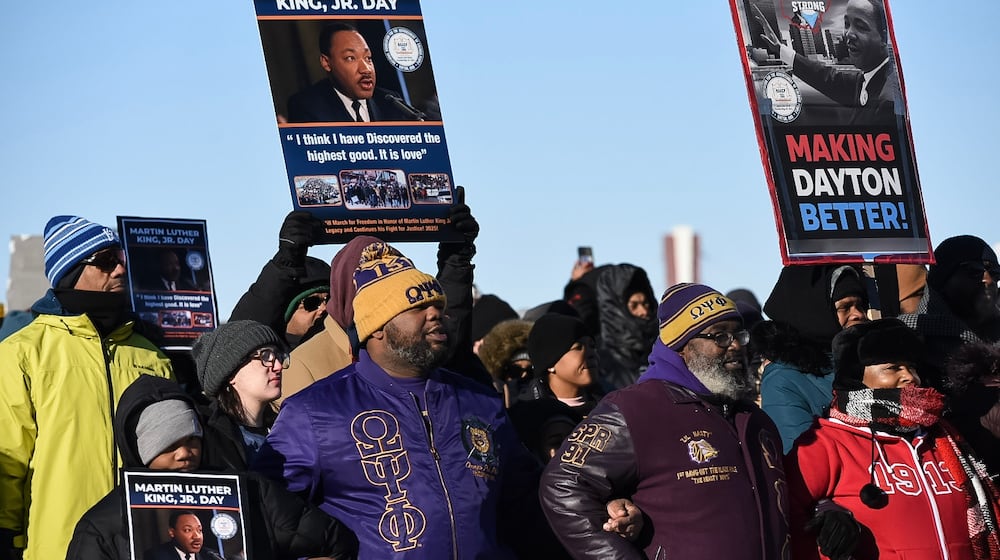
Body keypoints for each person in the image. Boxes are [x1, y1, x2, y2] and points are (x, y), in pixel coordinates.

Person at [254, 241, 563, 559]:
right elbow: (265, 507)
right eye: (417, 307)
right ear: (376, 328)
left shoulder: (480, 401)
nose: (435, 315)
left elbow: (527, 502)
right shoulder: (315, 411)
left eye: (439, 307)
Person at [540, 283, 790, 559]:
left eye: (738, 335)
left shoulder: (755, 419)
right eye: (719, 336)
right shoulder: (634, 409)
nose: (734, 346)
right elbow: (562, 485)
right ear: (682, 346)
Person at [0, 215, 174, 560]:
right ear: (70, 272)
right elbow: (8, 460)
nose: (120, 269)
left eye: (122, 259)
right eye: (107, 262)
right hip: (56, 544)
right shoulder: (21, 352)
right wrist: (6, 538)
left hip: (145, 544)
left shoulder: (152, 354)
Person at [65, 374, 358, 560]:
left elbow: (337, 542)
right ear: (139, 451)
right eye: (166, 446)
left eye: (192, 440)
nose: (184, 454)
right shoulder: (103, 524)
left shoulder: (251, 491)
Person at [786, 318, 1000, 560]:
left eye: (911, 366)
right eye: (893, 368)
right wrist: (824, 521)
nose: (910, 377)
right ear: (857, 379)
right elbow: (787, 514)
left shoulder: (942, 436)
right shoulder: (826, 442)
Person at [279, 189, 490, 405]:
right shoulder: (304, 364)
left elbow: (446, 329)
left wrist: (456, 259)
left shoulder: (411, 354)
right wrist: (286, 262)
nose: (433, 314)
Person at [756, 264, 870, 452]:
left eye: (860, 306)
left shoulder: (871, 364)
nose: (858, 314)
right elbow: (803, 456)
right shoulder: (782, 380)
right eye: (845, 307)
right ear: (815, 313)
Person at [754, 0, 899, 124]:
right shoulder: (863, 81)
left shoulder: (887, 101)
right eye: (847, 24)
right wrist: (780, 50)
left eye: (861, 26)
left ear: (883, 37)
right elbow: (824, 77)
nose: (848, 34)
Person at [899, 234, 1000, 390]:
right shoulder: (909, 338)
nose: (988, 280)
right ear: (942, 281)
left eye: (995, 274)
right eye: (974, 271)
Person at [192, 320, 289, 470]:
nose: (278, 366)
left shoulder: (288, 429)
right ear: (231, 373)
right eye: (265, 356)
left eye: (278, 356)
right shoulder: (208, 439)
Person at [509, 313, 602, 464]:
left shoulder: (611, 408)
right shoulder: (526, 416)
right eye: (578, 347)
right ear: (550, 363)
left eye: (592, 346)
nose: (590, 354)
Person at [230, 211, 329, 349]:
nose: (324, 309)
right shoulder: (271, 364)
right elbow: (239, 335)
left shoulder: (350, 353)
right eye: (311, 303)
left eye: (330, 301)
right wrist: (287, 261)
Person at [286, 22, 422, 123]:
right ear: (326, 63)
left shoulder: (391, 101)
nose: (366, 69)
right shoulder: (306, 106)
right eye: (350, 58)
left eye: (368, 58)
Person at [143, 511, 207, 560]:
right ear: (172, 532)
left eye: (199, 530)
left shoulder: (211, 556)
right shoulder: (155, 556)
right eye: (188, 530)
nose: (197, 536)